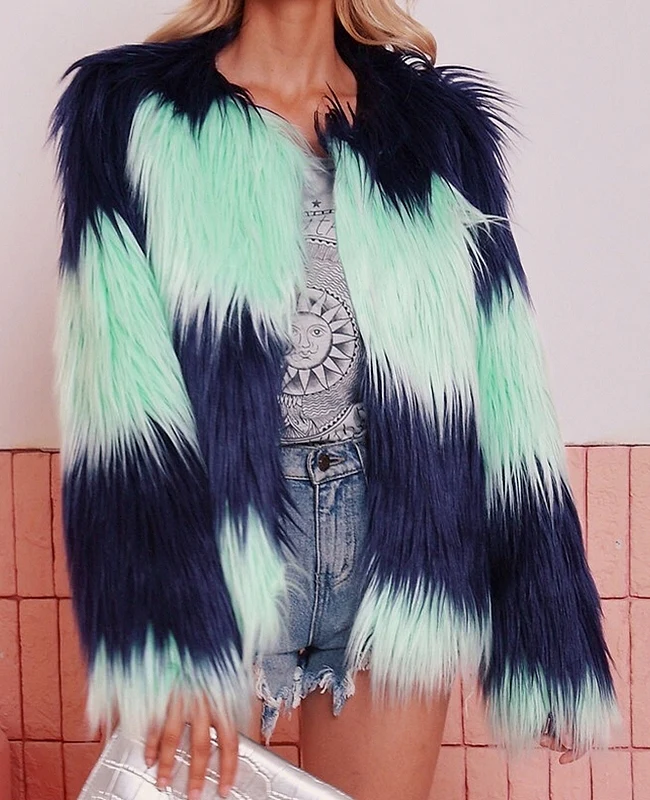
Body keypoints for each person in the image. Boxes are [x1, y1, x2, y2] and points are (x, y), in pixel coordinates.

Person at [48, 1, 620, 798]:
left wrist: (547, 627)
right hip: (218, 548)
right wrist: (166, 628)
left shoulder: (436, 131)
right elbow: (117, 383)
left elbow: (505, 373)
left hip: (403, 551)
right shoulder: (130, 113)